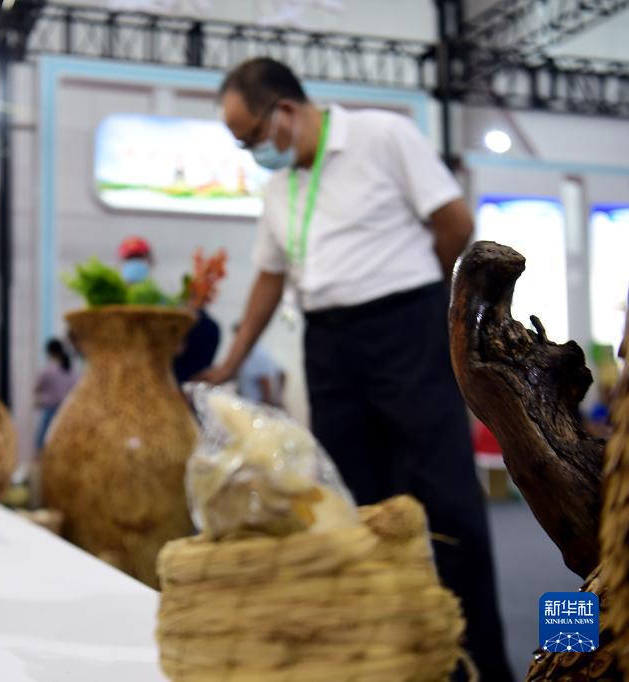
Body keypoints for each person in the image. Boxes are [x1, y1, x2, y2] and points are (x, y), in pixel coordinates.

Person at [199, 57, 513, 680]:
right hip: (327, 346)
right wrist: (229, 361)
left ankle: (479, 666)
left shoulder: (382, 135)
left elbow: (455, 222)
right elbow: (268, 278)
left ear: (284, 111)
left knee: (443, 498)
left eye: (252, 137)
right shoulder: (279, 188)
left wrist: (423, 295)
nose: (254, 152)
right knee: (352, 504)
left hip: (405, 329)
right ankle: (386, 660)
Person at [117, 236, 221, 382]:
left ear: (150, 260)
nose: (135, 263)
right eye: (130, 259)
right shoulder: (112, 304)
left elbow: (178, 346)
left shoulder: (164, 303)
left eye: (139, 257)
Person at [34, 338, 78, 450]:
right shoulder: (72, 369)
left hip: (51, 411)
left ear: (50, 352)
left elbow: (36, 389)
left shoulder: (48, 370)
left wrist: (42, 400)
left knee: (42, 444)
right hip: (68, 412)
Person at [233, 325, 285, 407]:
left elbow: (264, 378)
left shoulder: (256, 352)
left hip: (257, 403)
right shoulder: (244, 352)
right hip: (248, 401)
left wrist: (269, 401)